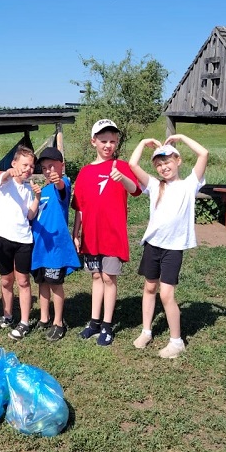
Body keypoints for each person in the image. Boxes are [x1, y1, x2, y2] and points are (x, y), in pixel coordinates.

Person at [128, 134, 209, 359]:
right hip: (152, 245)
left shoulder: (190, 184)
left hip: (173, 248)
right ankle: (146, 331)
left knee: (166, 294)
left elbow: (204, 154)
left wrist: (181, 137)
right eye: (159, 164)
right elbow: (132, 165)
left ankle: (176, 341)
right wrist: (143, 143)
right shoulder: (154, 185)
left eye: (168, 162)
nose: (164, 167)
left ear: (178, 161)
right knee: (149, 288)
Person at [71, 119, 141, 346]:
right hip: (91, 236)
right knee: (96, 276)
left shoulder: (120, 166)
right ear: (94, 142)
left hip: (113, 235)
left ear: (117, 142)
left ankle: (108, 325)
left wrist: (124, 179)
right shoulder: (84, 172)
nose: (108, 145)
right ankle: (93, 322)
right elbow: (79, 207)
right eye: (103, 141)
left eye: (112, 141)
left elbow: (136, 190)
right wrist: (76, 233)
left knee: (109, 278)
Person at [0, 145, 39, 339]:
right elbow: (6, 175)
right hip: (3, 237)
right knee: (5, 280)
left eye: (32, 166)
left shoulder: (27, 189)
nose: (28, 169)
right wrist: (11, 171)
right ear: (14, 163)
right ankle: (7, 316)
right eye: (25, 165)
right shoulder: (4, 182)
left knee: (23, 281)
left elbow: (30, 215)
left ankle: (24, 322)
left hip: (24, 239)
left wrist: (37, 197)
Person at [30, 147, 81, 342]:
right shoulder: (42, 191)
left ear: (62, 166)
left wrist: (57, 179)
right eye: (44, 168)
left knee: (55, 285)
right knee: (42, 283)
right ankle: (44, 317)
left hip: (55, 250)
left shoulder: (64, 184)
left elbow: (61, 186)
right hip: (40, 247)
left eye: (52, 166)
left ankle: (58, 322)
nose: (48, 171)